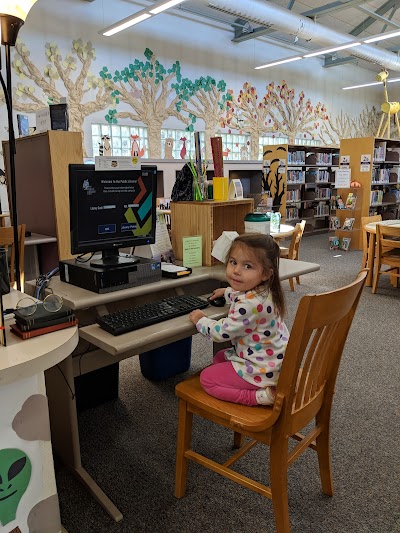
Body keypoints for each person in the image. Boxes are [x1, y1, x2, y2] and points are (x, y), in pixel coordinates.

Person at [189, 233, 289, 406]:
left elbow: (221, 333)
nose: (236, 270)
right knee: (220, 356)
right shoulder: (267, 291)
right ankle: (249, 385)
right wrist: (227, 292)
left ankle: (258, 397)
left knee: (207, 379)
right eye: (233, 262)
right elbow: (244, 295)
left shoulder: (249, 305)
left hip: (261, 368)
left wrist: (201, 320)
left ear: (266, 273)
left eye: (247, 266)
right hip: (273, 360)